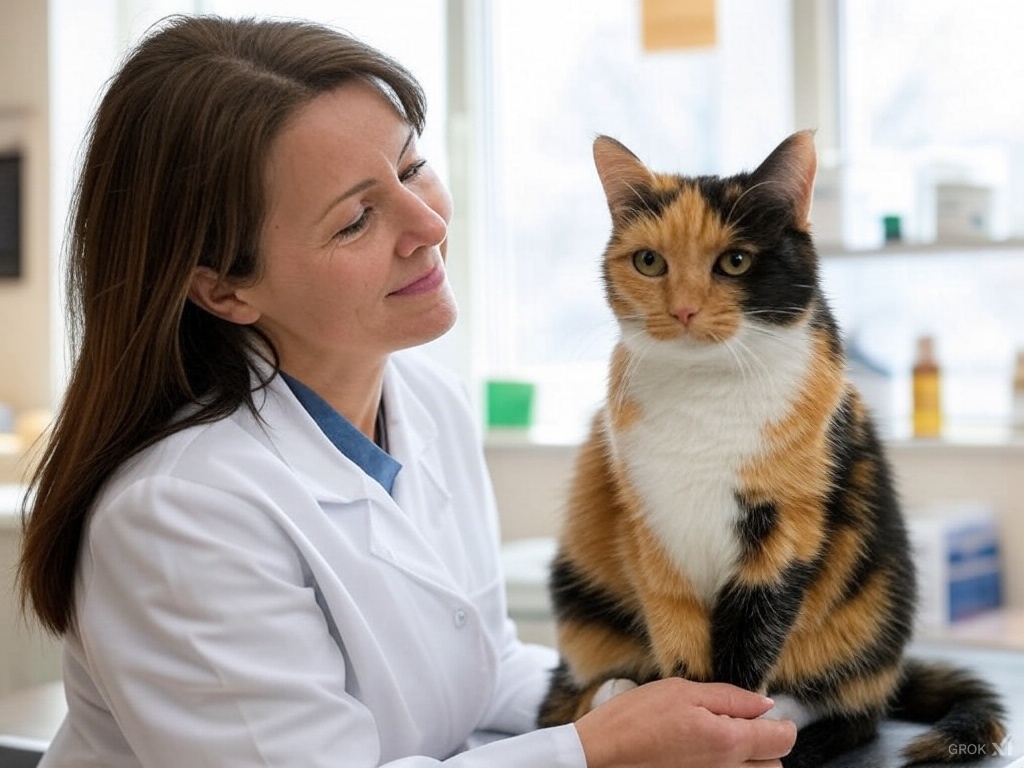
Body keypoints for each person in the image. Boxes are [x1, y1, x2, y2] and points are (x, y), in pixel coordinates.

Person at [17, 15, 797, 768]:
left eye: (413, 167)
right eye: (357, 218)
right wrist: (601, 749)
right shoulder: (180, 514)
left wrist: (647, 702)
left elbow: (480, 666)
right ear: (223, 290)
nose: (425, 222)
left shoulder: (427, 402)